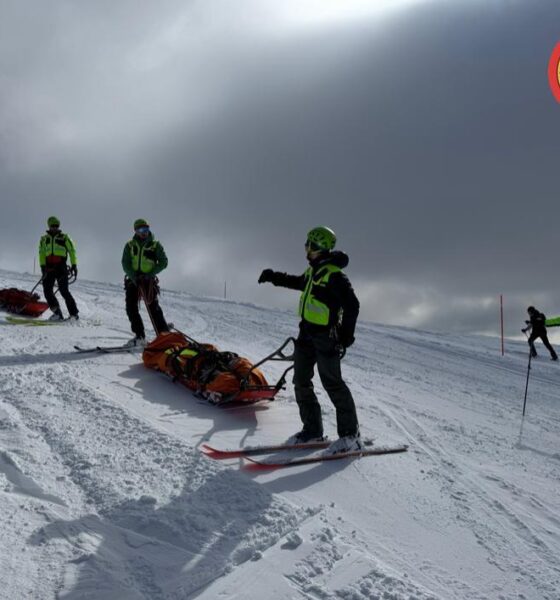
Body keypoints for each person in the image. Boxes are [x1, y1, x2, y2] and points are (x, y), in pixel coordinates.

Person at [258, 226, 361, 454]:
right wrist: (273, 276)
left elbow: (352, 305)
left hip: (326, 338)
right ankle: (313, 431)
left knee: (333, 384)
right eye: (307, 243)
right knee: (301, 381)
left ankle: (350, 436)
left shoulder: (334, 275)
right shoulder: (314, 270)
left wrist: (345, 337)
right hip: (306, 334)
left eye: (311, 245)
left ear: (320, 249)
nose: (306, 247)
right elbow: (298, 282)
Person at [121, 218, 169, 347]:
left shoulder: (155, 245)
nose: (144, 232)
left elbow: (164, 262)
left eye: (146, 229)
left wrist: (150, 274)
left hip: (148, 281)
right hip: (134, 280)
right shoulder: (130, 245)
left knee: (153, 308)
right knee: (131, 307)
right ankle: (140, 336)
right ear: (136, 231)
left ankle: (164, 335)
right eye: (141, 230)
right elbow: (125, 263)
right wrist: (133, 275)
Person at [38, 216, 79, 321]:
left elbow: (72, 251)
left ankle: (74, 315)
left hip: (61, 267)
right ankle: (57, 313)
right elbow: (41, 253)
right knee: (47, 290)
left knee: (64, 290)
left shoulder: (64, 237)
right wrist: (43, 267)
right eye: (53, 226)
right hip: (48, 268)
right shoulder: (44, 239)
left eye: (56, 226)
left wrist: (74, 265)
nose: (55, 228)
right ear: (49, 226)